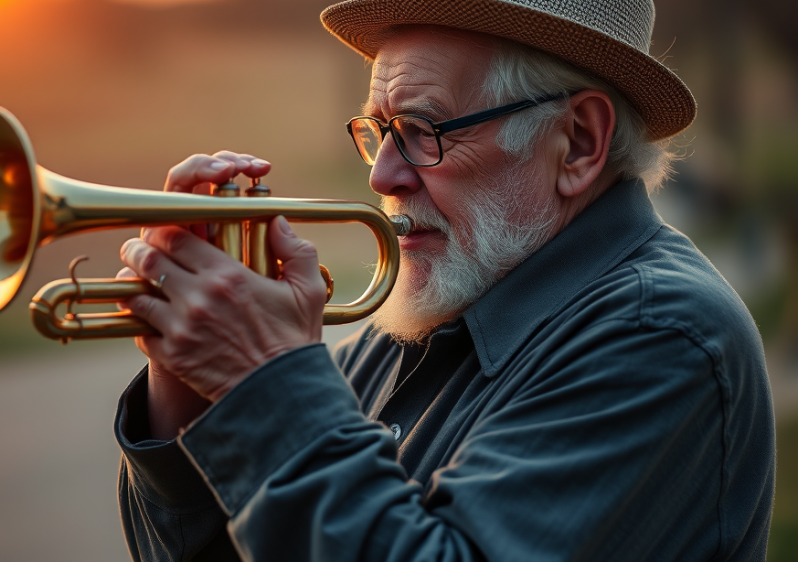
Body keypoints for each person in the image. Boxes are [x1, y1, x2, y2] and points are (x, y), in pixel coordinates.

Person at [112, 0, 775, 560]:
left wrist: (266, 379)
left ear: (577, 142)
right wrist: (190, 388)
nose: (382, 177)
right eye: (379, 131)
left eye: (423, 130)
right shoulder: (434, 307)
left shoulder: (660, 335)